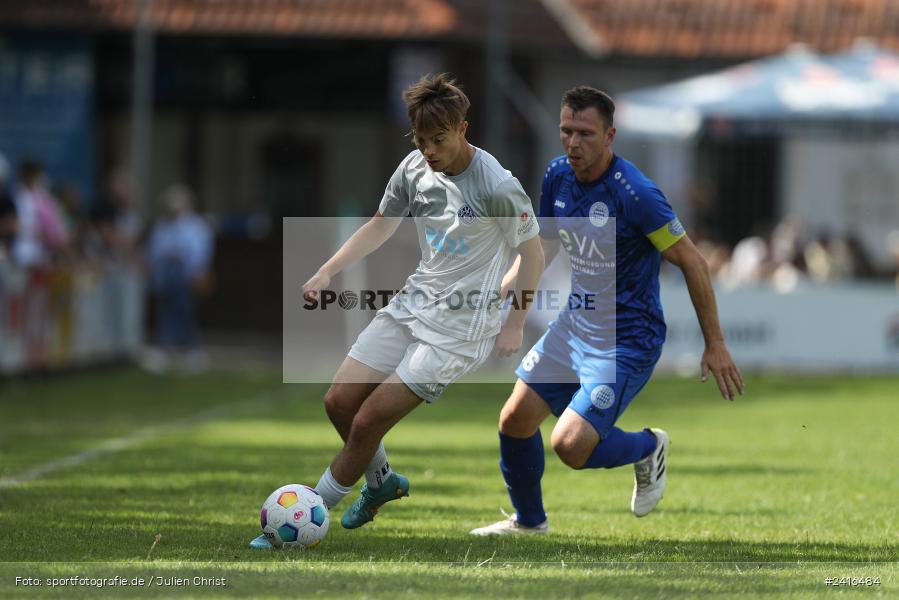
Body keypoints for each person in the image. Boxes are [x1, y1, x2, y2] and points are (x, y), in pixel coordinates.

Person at [251, 73, 545, 548]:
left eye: (439, 139)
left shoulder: (496, 185)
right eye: (421, 140)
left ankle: (307, 516)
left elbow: (533, 254)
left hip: (458, 331)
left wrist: (514, 322)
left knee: (368, 420)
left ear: (463, 129)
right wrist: (328, 270)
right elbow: (380, 225)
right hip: (412, 305)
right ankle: (381, 481)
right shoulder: (414, 168)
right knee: (339, 403)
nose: (429, 150)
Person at [470, 86, 743, 536]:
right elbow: (544, 247)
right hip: (574, 326)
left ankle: (647, 447)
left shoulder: (636, 194)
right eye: (566, 131)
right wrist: (500, 290)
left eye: (585, 133)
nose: (572, 142)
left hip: (626, 340)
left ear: (609, 136)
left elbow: (693, 262)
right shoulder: (557, 176)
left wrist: (715, 343)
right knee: (514, 420)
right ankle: (529, 523)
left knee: (569, 445)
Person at [143, 184, 214, 373]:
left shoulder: (196, 226)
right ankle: (189, 349)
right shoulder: (162, 226)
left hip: (185, 275)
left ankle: (167, 347)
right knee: (174, 311)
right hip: (165, 275)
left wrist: (198, 273)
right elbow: (155, 252)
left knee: (180, 310)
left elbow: (200, 253)